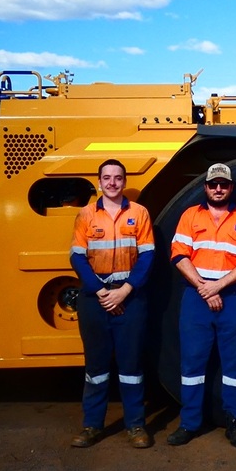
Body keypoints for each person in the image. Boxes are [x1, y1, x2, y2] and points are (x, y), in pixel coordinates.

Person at [167, 163, 236, 448]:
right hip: (197, 299)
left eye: (223, 184)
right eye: (213, 184)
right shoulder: (189, 217)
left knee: (234, 367)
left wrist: (217, 287)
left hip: (231, 298)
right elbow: (179, 255)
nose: (218, 189)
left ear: (231, 187)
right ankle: (189, 423)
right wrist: (204, 288)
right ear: (205, 187)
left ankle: (235, 423)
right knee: (192, 365)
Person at [69, 159, 155, 449]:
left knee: (131, 367)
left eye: (118, 178)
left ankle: (136, 427)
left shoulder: (140, 213)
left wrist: (125, 290)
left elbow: (147, 256)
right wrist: (102, 292)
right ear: (99, 182)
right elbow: (77, 258)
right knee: (96, 368)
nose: (113, 183)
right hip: (96, 300)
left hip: (130, 298)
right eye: (107, 178)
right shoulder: (86, 215)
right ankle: (92, 426)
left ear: (124, 180)